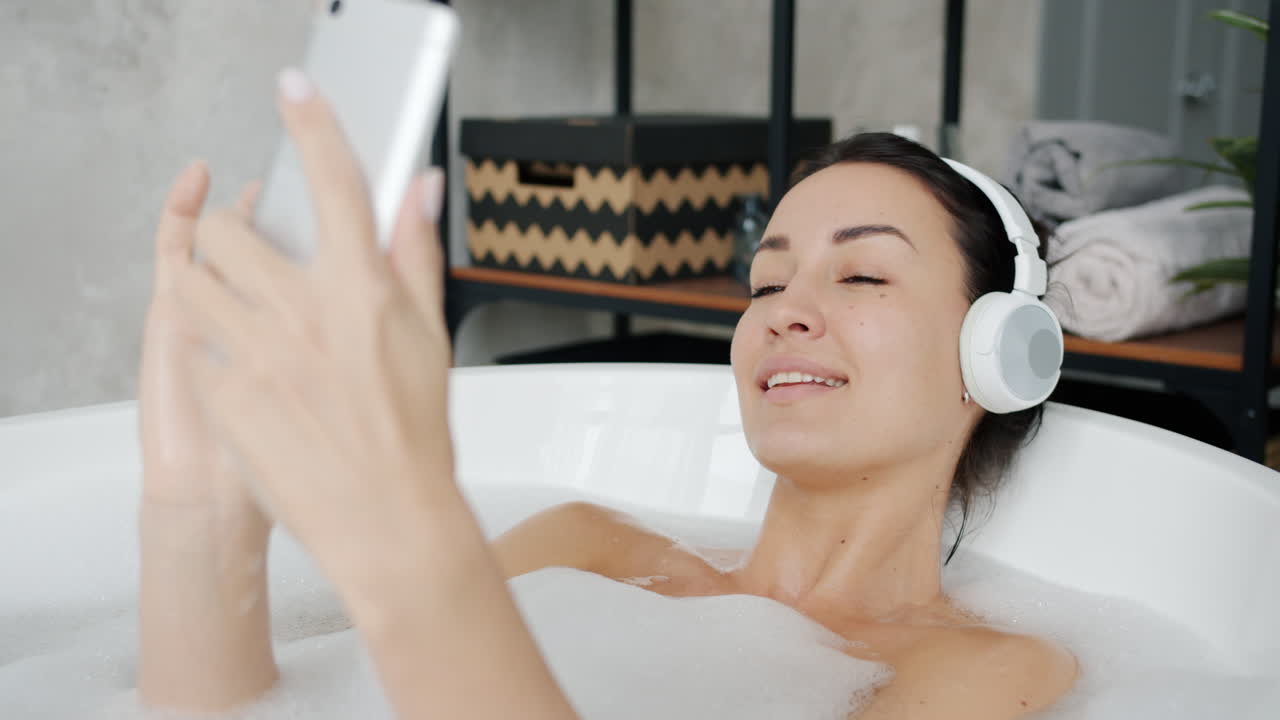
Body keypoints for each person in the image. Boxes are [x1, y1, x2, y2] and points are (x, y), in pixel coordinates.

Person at [135, 67, 1077, 719]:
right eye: (766, 283)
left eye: (863, 276)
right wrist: (198, 513)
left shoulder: (988, 672)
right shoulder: (582, 549)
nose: (788, 311)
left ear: (995, 352)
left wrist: (416, 543)